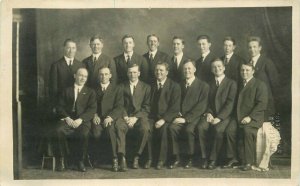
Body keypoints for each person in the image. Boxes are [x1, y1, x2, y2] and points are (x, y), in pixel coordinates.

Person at [226, 63, 268, 171]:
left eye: (247, 70)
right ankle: (234, 158)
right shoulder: (240, 85)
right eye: (242, 70)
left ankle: (248, 162)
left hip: (254, 117)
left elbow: (262, 104)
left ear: (253, 71)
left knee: (247, 131)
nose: (244, 72)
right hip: (239, 117)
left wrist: (250, 117)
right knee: (229, 130)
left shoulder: (260, 84)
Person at [168, 59, 209, 169]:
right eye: (185, 69)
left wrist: (186, 119)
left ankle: (191, 158)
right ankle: (176, 158)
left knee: (189, 129)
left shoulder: (203, 85)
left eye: (189, 68)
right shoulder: (179, 85)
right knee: (172, 128)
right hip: (181, 115)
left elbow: (202, 106)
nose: (187, 71)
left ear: (194, 69)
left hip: (196, 116)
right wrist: (178, 113)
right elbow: (175, 102)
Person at [197, 59, 237, 169]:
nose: (217, 69)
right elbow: (207, 102)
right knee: (201, 127)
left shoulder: (231, 83)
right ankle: (204, 158)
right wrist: (209, 113)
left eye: (219, 66)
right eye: (214, 67)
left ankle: (213, 159)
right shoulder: (208, 84)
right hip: (211, 114)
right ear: (211, 70)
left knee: (218, 130)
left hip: (226, 116)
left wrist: (219, 118)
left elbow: (230, 103)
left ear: (224, 68)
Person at [55, 68, 97, 172]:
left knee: (83, 134)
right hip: (67, 119)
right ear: (75, 76)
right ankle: (62, 159)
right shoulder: (66, 90)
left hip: (82, 121)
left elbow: (92, 109)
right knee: (59, 130)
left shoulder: (90, 92)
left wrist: (81, 119)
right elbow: (59, 106)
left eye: (85, 76)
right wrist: (67, 118)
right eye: (80, 75)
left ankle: (80, 161)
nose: (83, 78)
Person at [116, 64, 152, 170]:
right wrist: (126, 117)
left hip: (139, 117)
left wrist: (135, 118)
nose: (133, 74)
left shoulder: (146, 87)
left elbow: (146, 107)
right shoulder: (121, 86)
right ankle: (122, 158)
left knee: (145, 129)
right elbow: (119, 104)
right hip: (124, 117)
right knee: (119, 127)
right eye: (130, 72)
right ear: (127, 73)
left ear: (139, 73)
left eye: (135, 72)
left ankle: (137, 156)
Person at [90, 67, 124, 172]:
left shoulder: (117, 88)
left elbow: (119, 106)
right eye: (101, 74)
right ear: (98, 76)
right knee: (96, 133)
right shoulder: (93, 89)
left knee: (110, 131)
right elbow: (91, 105)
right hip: (98, 118)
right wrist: (94, 115)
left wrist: (110, 117)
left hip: (111, 118)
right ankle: (98, 158)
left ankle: (114, 159)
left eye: (106, 74)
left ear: (110, 75)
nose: (103, 76)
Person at [149, 62, 181, 170]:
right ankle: (149, 158)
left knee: (164, 130)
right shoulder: (151, 85)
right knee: (146, 128)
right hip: (152, 117)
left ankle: (161, 160)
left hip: (167, 117)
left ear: (167, 72)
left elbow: (175, 108)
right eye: (157, 70)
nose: (158, 72)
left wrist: (163, 119)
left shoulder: (174, 86)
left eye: (161, 70)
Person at [247, 36, 279, 121]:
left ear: (260, 48)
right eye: (250, 47)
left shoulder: (267, 62)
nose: (252, 49)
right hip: (252, 103)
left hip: (266, 103)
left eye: (254, 47)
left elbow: (275, 84)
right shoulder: (247, 63)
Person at [49, 39, 84, 111]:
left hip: (78, 104)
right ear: (64, 48)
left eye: (73, 48)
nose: (71, 50)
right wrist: (55, 105)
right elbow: (53, 88)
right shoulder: (56, 65)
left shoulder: (81, 65)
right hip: (62, 104)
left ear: (76, 49)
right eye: (68, 48)